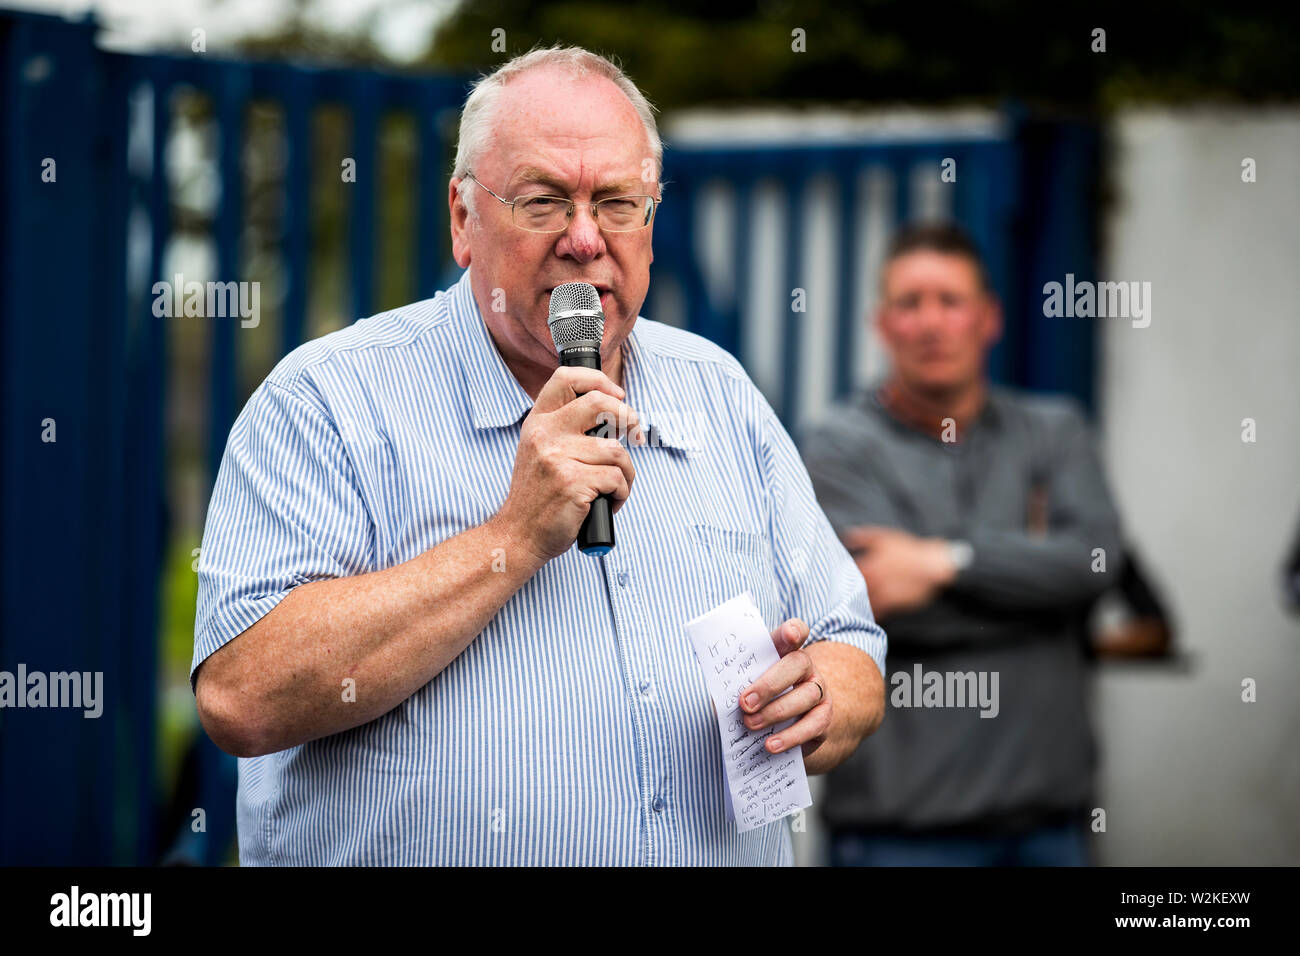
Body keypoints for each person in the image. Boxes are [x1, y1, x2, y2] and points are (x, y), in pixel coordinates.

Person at [190, 46, 886, 866]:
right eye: (544, 200)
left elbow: (851, 641)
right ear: (462, 219)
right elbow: (242, 694)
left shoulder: (719, 391)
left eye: (618, 203)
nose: (585, 239)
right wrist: (514, 538)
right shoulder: (330, 401)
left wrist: (822, 698)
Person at [801, 221, 1125, 866]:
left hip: (1050, 831)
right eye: (909, 303)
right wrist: (1035, 589)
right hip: (900, 837)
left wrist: (942, 562)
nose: (930, 323)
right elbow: (870, 602)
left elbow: (1094, 562)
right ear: (880, 324)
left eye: (950, 301)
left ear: (989, 318)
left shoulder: (1054, 431)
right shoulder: (836, 446)